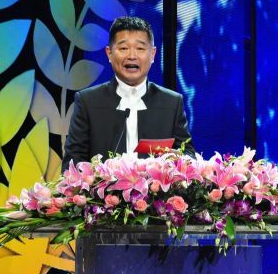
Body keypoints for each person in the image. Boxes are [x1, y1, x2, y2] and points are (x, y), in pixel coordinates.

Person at [62, 16, 194, 170]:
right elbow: (72, 165)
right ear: (109, 53)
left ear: (152, 54)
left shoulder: (172, 102)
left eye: (140, 48)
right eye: (123, 48)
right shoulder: (87, 101)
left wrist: (179, 160)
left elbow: (188, 155)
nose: (132, 56)